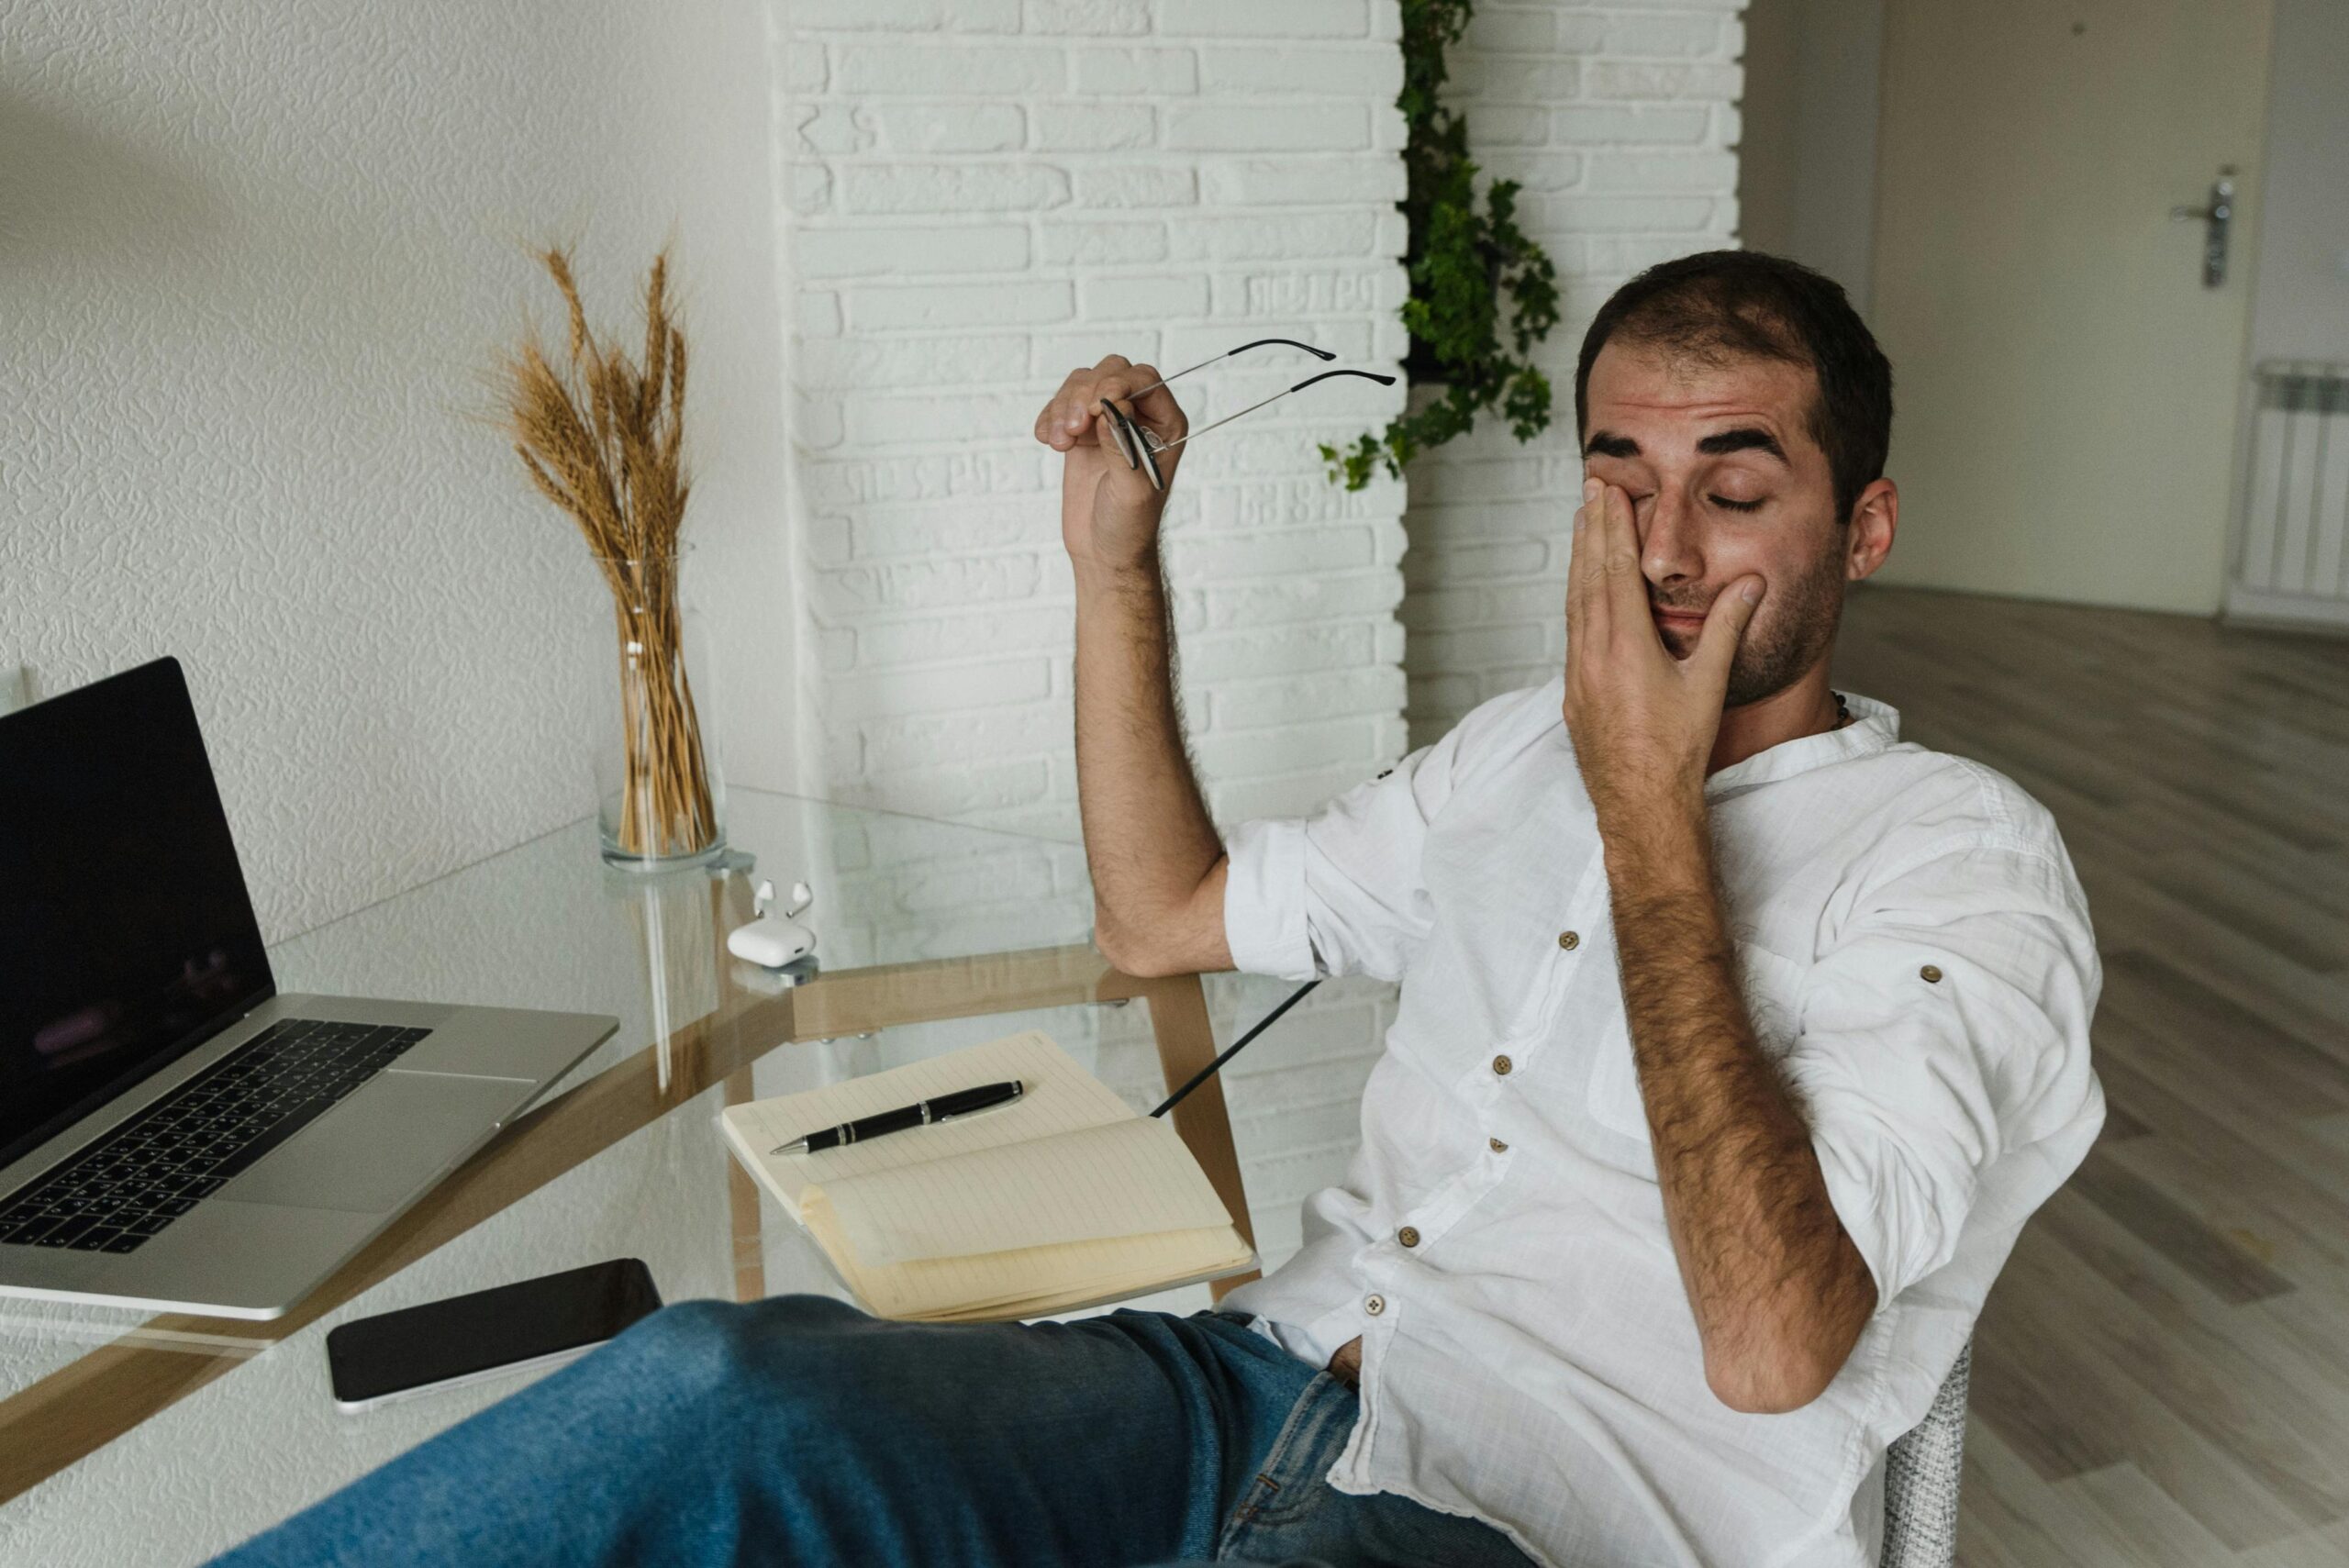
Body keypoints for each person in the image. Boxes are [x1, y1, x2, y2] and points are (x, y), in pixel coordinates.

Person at [209, 250, 2102, 1568]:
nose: (1661, 552)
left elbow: (1773, 1352)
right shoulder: (1514, 755)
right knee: (711, 1383)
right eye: (1618, 480)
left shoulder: (1958, 860)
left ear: (1857, 526)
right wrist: (1118, 571)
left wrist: (1648, 821)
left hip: (1538, 1519)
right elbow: (1161, 918)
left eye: (1731, 487)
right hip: (1245, 1385)